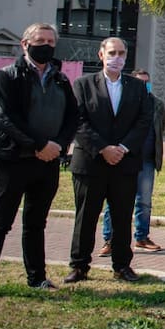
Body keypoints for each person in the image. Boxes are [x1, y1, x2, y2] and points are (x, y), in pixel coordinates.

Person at [0, 23, 78, 302]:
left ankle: (37, 277)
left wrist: (59, 145)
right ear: (24, 44)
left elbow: (72, 117)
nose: (45, 45)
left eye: (50, 41)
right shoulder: (8, 75)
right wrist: (38, 145)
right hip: (13, 160)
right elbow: (5, 118)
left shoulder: (60, 79)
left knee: (36, 223)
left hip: (48, 162)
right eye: (40, 40)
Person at [65, 37, 151, 284]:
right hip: (91, 162)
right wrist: (103, 148)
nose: (117, 57)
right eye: (112, 52)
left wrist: (122, 148)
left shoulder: (136, 87)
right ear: (101, 55)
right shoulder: (83, 84)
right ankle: (79, 266)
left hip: (124, 163)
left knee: (123, 217)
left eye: (122, 53)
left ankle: (122, 265)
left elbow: (144, 120)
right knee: (86, 216)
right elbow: (78, 120)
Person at [100, 68, 165, 254]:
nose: (144, 85)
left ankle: (142, 237)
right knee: (114, 201)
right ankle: (109, 240)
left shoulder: (156, 104)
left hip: (146, 161)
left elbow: (161, 127)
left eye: (147, 82)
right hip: (124, 160)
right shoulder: (124, 102)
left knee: (144, 202)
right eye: (140, 82)